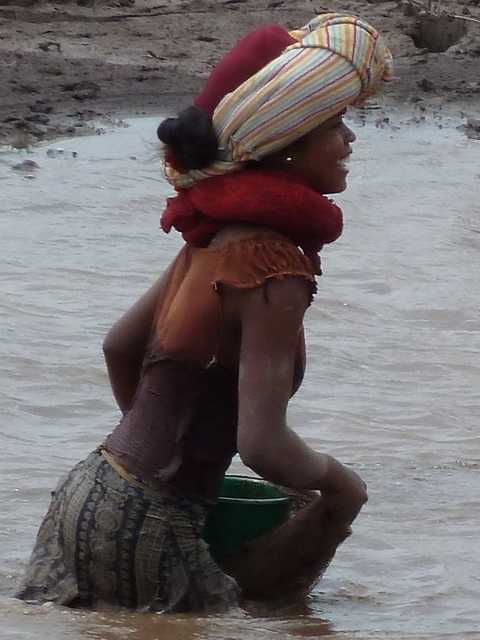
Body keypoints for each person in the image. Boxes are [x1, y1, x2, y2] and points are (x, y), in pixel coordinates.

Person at [17, 13, 393, 612]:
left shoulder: (210, 240)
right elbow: (264, 446)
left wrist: (170, 459)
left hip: (88, 493)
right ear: (287, 146)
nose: (351, 142)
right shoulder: (274, 266)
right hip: (151, 520)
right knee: (329, 514)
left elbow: (119, 346)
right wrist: (342, 483)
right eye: (336, 125)